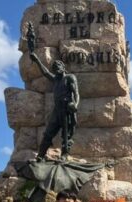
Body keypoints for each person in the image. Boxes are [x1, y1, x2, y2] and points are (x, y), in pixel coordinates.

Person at [27, 24, 79, 161]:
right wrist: (37, 60)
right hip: (57, 109)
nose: (56, 67)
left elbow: (76, 93)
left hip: (67, 107)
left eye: (58, 66)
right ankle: (40, 155)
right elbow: (45, 72)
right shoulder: (55, 79)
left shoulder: (70, 78)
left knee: (66, 133)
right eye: (55, 66)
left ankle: (65, 155)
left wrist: (75, 104)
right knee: (49, 132)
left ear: (63, 67)